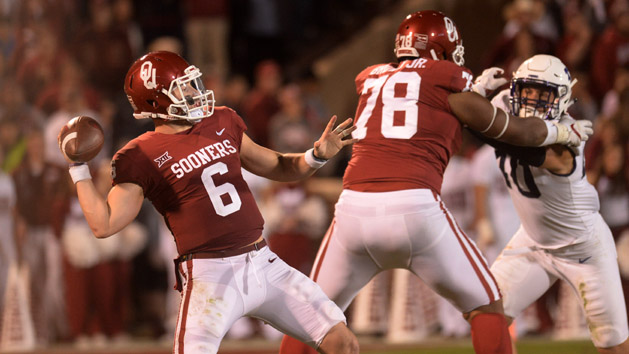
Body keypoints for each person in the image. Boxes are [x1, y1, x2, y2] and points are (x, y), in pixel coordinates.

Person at [279, 10, 592, 354]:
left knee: (309, 315)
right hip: (414, 208)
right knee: (486, 306)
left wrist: (472, 89)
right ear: (441, 50)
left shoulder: (372, 80)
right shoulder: (448, 80)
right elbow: (515, 131)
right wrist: (561, 130)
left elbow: (415, 97)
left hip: (353, 210)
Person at [58, 51, 359, 354]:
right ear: (155, 101)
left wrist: (316, 155)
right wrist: (79, 169)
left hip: (263, 261)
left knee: (341, 342)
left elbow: (278, 165)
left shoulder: (222, 119)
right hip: (209, 276)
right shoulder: (140, 154)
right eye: (182, 88)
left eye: (192, 84)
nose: (194, 92)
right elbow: (104, 224)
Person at [481, 54, 629, 353]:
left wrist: (480, 114)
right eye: (528, 91)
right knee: (484, 314)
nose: (533, 100)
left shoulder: (571, 134)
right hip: (532, 241)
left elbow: (519, 142)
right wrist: (475, 93)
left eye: (543, 93)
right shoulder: (503, 108)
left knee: (612, 347)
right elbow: (466, 113)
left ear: (561, 99)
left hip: (583, 248)